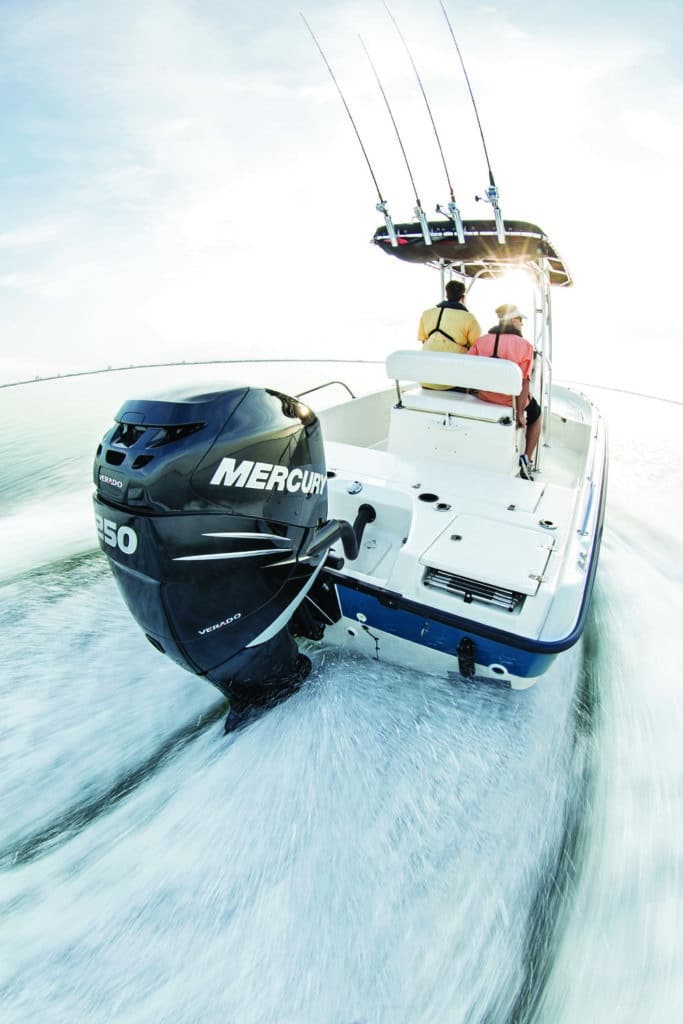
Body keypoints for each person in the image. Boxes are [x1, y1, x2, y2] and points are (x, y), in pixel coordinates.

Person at [468, 303, 541, 480]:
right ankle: (527, 458)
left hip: (484, 396)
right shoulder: (525, 346)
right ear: (514, 321)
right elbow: (524, 382)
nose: (522, 324)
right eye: (520, 321)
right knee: (537, 414)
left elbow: (469, 370)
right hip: (510, 401)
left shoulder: (482, 341)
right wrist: (521, 413)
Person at [417, 280, 482, 390]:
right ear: (463, 297)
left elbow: (423, 340)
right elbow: (477, 347)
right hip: (454, 381)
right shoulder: (469, 318)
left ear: (446, 294)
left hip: (426, 377)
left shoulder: (426, 313)